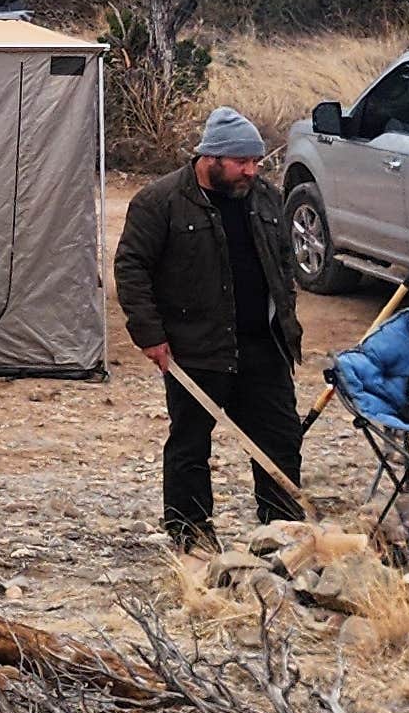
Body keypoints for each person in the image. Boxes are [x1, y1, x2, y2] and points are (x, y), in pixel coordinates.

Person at [113, 106, 305, 549]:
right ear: (212, 158)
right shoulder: (159, 202)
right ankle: (190, 532)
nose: (251, 171)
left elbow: (282, 265)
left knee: (280, 441)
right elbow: (132, 267)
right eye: (243, 162)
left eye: (256, 162)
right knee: (190, 445)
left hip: (263, 347)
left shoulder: (265, 199)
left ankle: (281, 533)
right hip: (195, 350)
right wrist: (150, 336)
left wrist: (287, 316)